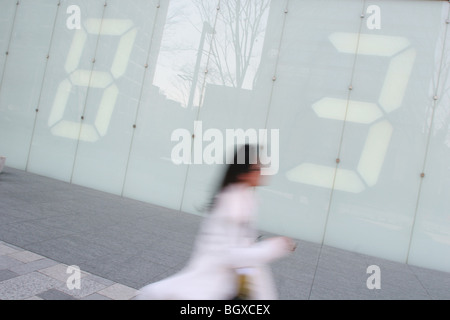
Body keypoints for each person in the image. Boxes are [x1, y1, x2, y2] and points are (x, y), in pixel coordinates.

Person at [136, 144, 296, 300]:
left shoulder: (244, 199)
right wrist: (273, 247)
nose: (262, 171)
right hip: (214, 284)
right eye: (257, 168)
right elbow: (229, 255)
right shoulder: (231, 206)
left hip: (232, 281)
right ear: (242, 173)